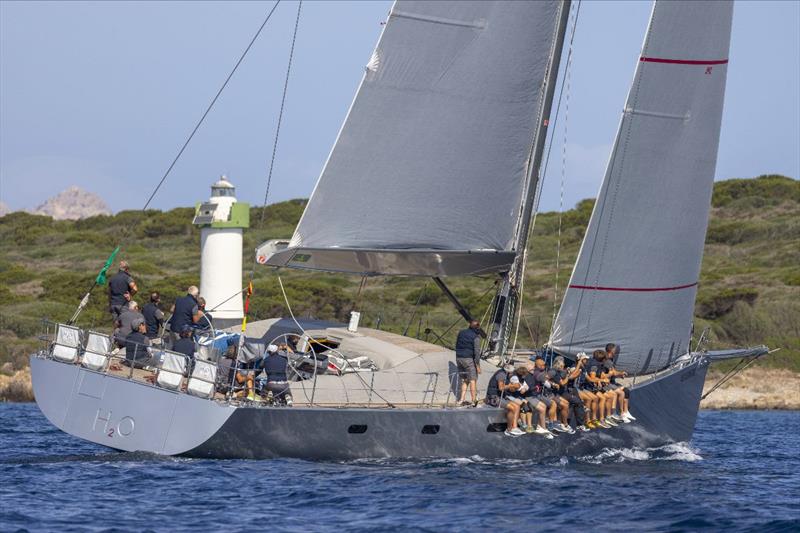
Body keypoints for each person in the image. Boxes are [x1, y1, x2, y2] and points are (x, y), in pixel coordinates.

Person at [484, 364, 525, 437]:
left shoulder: (507, 375)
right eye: (511, 372)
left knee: (517, 406)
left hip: (501, 397)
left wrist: (516, 387)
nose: (512, 373)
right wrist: (511, 385)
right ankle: (508, 429)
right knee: (512, 408)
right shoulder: (501, 374)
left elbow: (510, 389)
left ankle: (514, 427)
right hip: (492, 398)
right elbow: (501, 388)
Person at [531, 357, 566, 433]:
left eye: (545, 365)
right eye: (544, 365)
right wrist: (553, 384)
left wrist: (552, 383)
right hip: (537, 394)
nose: (545, 366)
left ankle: (552, 422)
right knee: (553, 404)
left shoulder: (541, 372)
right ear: (539, 366)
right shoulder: (539, 373)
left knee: (556, 404)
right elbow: (547, 383)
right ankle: (549, 423)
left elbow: (546, 380)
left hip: (540, 393)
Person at [455, 319, 482, 407]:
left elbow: (456, 345)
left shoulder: (461, 333)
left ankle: (461, 399)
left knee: (465, 379)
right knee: (472, 380)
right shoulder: (476, 336)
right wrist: (477, 365)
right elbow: (477, 352)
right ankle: (474, 400)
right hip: (468, 359)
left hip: (459, 357)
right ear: (477, 327)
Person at [605, 343, 635, 423]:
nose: (616, 351)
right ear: (612, 350)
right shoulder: (607, 360)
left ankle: (625, 412)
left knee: (626, 391)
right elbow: (613, 372)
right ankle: (622, 413)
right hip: (607, 384)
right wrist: (621, 373)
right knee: (621, 392)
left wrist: (619, 375)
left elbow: (612, 372)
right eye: (615, 350)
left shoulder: (610, 359)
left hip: (611, 382)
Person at [519, 362, 551, 437]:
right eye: (532, 369)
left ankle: (541, 426)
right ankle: (543, 427)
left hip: (532, 396)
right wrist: (535, 388)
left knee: (544, 406)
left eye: (534, 368)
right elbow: (526, 388)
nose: (534, 370)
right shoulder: (526, 376)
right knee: (542, 409)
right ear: (528, 369)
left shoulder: (531, 375)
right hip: (528, 397)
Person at [587, 350, 616, 428]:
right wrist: (602, 380)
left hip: (593, 386)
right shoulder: (594, 366)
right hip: (588, 387)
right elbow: (592, 377)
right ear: (602, 359)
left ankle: (608, 417)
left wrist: (603, 378)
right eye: (605, 359)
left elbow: (600, 375)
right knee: (601, 398)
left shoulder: (596, 364)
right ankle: (598, 419)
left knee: (610, 396)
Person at [548, 357, 576, 434]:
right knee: (565, 405)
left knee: (566, 404)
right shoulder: (554, 372)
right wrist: (568, 375)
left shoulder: (556, 371)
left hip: (555, 393)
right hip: (550, 394)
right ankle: (564, 424)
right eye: (562, 366)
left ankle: (564, 423)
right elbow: (563, 383)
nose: (563, 367)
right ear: (558, 366)